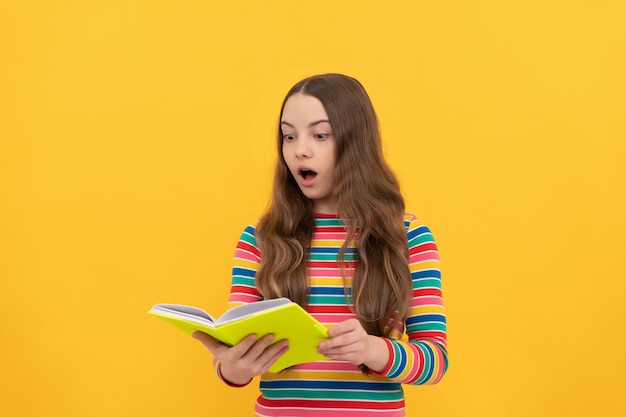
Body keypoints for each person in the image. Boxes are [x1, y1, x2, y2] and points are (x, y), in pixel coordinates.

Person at [193, 73, 448, 416]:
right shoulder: (260, 239)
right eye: (289, 136)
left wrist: (371, 349)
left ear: (355, 142)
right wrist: (233, 368)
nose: (300, 149)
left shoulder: (408, 237)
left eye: (320, 135)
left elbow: (435, 360)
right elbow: (232, 354)